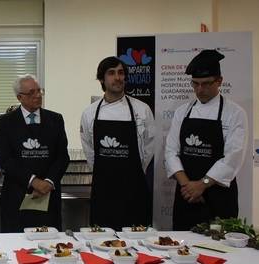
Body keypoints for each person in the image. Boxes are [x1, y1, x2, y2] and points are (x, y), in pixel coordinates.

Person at [165, 49, 247, 230]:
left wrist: (202, 185)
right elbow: (171, 152)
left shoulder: (235, 113)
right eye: (195, 84)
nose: (199, 90)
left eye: (206, 84)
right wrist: (188, 186)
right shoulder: (182, 112)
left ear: (219, 81)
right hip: (186, 195)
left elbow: (233, 157)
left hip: (219, 196)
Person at [80, 56, 155, 231]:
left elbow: (149, 147)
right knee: (102, 238)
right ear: (101, 79)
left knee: (136, 239)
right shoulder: (90, 113)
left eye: (121, 73)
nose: (118, 78)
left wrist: (135, 171)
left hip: (134, 188)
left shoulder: (141, 109)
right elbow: (89, 149)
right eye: (111, 73)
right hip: (103, 189)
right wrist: (103, 172)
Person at [0, 74, 69, 232]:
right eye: (31, 92)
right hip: (16, 197)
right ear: (19, 97)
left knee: (51, 246)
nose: (37, 95)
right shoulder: (5, 122)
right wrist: (34, 181)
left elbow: (62, 157)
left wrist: (48, 182)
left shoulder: (55, 119)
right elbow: (6, 160)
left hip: (48, 198)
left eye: (39, 91)